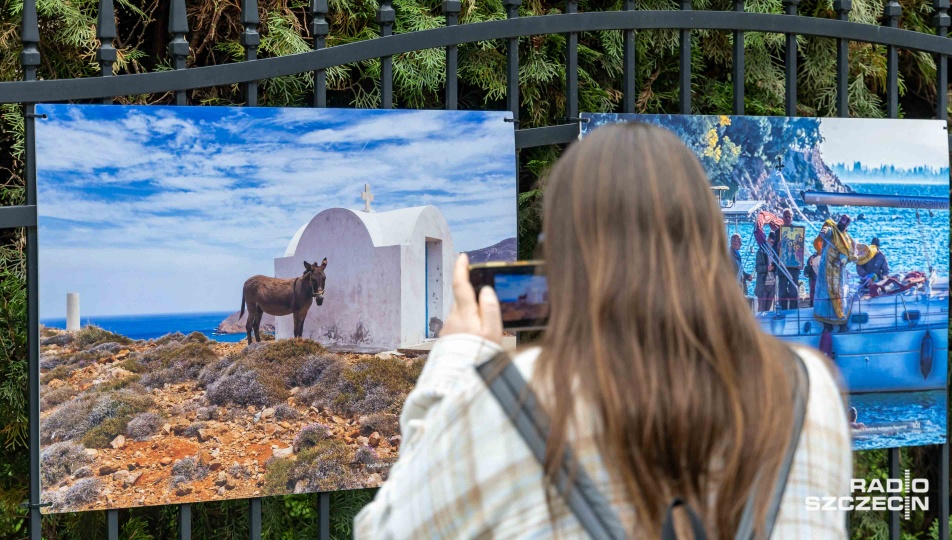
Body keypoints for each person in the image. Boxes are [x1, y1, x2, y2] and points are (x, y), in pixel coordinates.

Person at [354, 123, 851, 539]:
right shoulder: (810, 390)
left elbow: (381, 530)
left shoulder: (503, 401)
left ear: (563, 255)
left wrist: (456, 360)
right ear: (707, 248)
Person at [813, 215, 857, 331]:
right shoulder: (832, 230)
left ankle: (842, 323)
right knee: (824, 294)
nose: (842, 223)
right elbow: (827, 232)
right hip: (826, 269)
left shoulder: (847, 238)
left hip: (838, 271)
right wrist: (824, 231)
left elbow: (848, 252)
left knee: (840, 295)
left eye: (845, 222)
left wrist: (844, 259)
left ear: (847, 224)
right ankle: (827, 324)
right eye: (841, 220)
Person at [777, 209, 802, 310]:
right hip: (782, 266)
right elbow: (773, 249)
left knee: (793, 292)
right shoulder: (778, 232)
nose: (787, 218)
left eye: (789, 216)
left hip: (794, 267)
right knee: (782, 292)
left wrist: (801, 262)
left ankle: (793, 312)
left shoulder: (798, 231)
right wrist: (777, 247)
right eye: (785, 216)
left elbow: (800, 249)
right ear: (782, 218)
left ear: (792, 218)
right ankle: (782, 311)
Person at [755, 232, 778, 311]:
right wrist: (766, 268)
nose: (772, 245)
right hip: (763, 284)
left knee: (768, 309)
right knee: (762, 309)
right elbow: (758, 268)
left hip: (772, 284)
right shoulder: (761, 251)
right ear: (767, 239)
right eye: (771, 242)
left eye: (773, 243)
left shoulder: (774, 252)